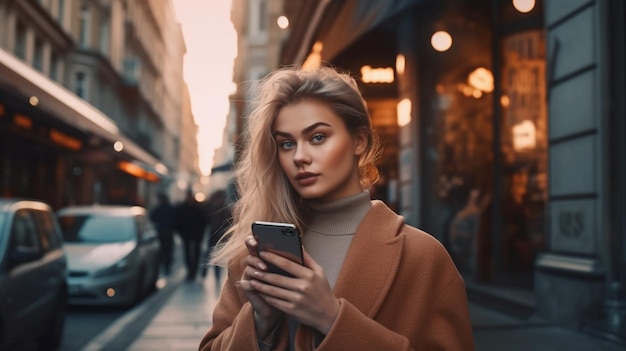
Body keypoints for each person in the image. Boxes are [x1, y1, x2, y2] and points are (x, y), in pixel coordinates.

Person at [199, 66, 474, 350]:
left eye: (317, 137)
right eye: (287, 143)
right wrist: (259, 322)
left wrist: (331, 317)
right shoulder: (257, 252)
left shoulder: (422, 257)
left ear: (359, 141)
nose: (300, 157)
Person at [174, 190, 207, 281]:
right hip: (186, 234)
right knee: (187, 252)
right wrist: (180, 232)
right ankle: (190, 271)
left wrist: (200, 232)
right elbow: (178, 221)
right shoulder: (183, 208)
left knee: (196, 252)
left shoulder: (197, 209)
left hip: (196, 234)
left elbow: (203, 221)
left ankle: (194, 270)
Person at [202, 189, 232, 282]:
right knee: (209, 253)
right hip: (213, 234)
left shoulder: (225, 209)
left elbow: (230, 222)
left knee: (218, 254)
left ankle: (217, 274)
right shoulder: (210, 208)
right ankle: (204, 272)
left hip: (221, 235)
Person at [149, 192, 175, 275]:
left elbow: (152, 217)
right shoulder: (170, 208)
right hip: (168, 232)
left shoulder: (159, 208)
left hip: (162, 232)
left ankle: (165, 265)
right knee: (168, 250)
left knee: (163, 250)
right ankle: (167, 266)